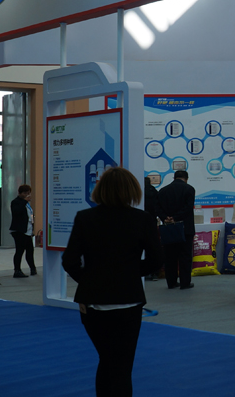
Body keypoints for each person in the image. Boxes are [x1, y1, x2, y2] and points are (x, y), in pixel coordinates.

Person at [62, 167, 162, 397]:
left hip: (94, 303)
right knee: (121, 366)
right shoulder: (142, 219)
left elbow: (69, 261)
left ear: (100, 189)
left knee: (107, 360)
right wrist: (129, 273)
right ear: (132, 190)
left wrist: (91, 281)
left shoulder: (85, 218)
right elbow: (157, 259)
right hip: (128, 302)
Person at [156, 170, 196, 290]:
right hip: (185, 228)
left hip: (168, 228)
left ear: (174, 178)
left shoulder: (163, 191)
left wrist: (166, 218)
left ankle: (171, 282)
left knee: (170, 257)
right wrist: (176, 218)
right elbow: (188, 208)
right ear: (186, 179)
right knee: (185, 256)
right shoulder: (189, 189)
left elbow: (157, 208)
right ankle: (185, 282)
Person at [9, 184, 36, 278]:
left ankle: (33, 268)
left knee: (30, 250)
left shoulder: (27, 204)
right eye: (25, 193)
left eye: (28, 193)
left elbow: (30, 216)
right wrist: (24, 201)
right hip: (19, 231)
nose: (27, 195)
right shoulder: (16, 202)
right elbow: (17, 212)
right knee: (20, 250)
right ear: (20, 193)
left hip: (28, 230)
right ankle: (17, 270)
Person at [143, 176, 162, 281]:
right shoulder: (155, 192)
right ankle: (155, 273)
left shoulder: (141, 193)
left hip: (141, 222)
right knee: (153, 246)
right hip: (152, 221)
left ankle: (145, 273)